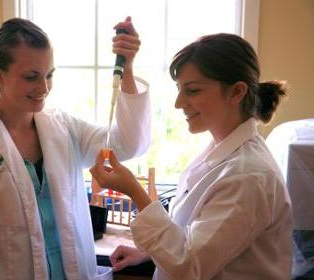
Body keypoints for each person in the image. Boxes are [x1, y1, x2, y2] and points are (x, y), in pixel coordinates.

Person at [0, 17, 150, 279]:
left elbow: (126, 144)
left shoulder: (63, 127)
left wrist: (126, 69)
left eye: (49, 75)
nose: (44, 88)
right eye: (31, 77)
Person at [90, 33, 293, 279]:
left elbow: (190, 266)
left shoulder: (248, 176)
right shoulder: (220, 154)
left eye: (193, 90)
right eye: (179, 90)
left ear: (237, 92)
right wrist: (149, 253)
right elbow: (201, 241)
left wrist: (135, 192)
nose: (178, 103)